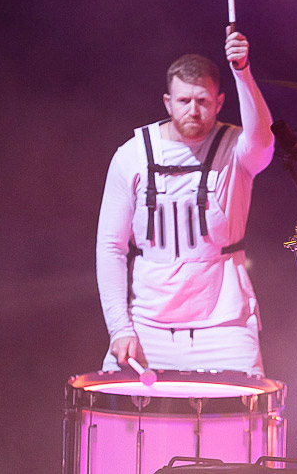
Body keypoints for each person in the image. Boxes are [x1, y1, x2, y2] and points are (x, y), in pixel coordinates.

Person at [96, 27, 275, 376]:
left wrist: (242, 71)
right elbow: (111, 247)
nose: (193, 110)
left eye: (203, 101)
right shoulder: (132, 155)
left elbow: (263, 141)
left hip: (225, 329)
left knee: (245, 409)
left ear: (219, 102)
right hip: (148, 329)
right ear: (168, 102)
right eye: (183, 101)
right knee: (111, 403)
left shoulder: (235, 149)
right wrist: (119, 328)